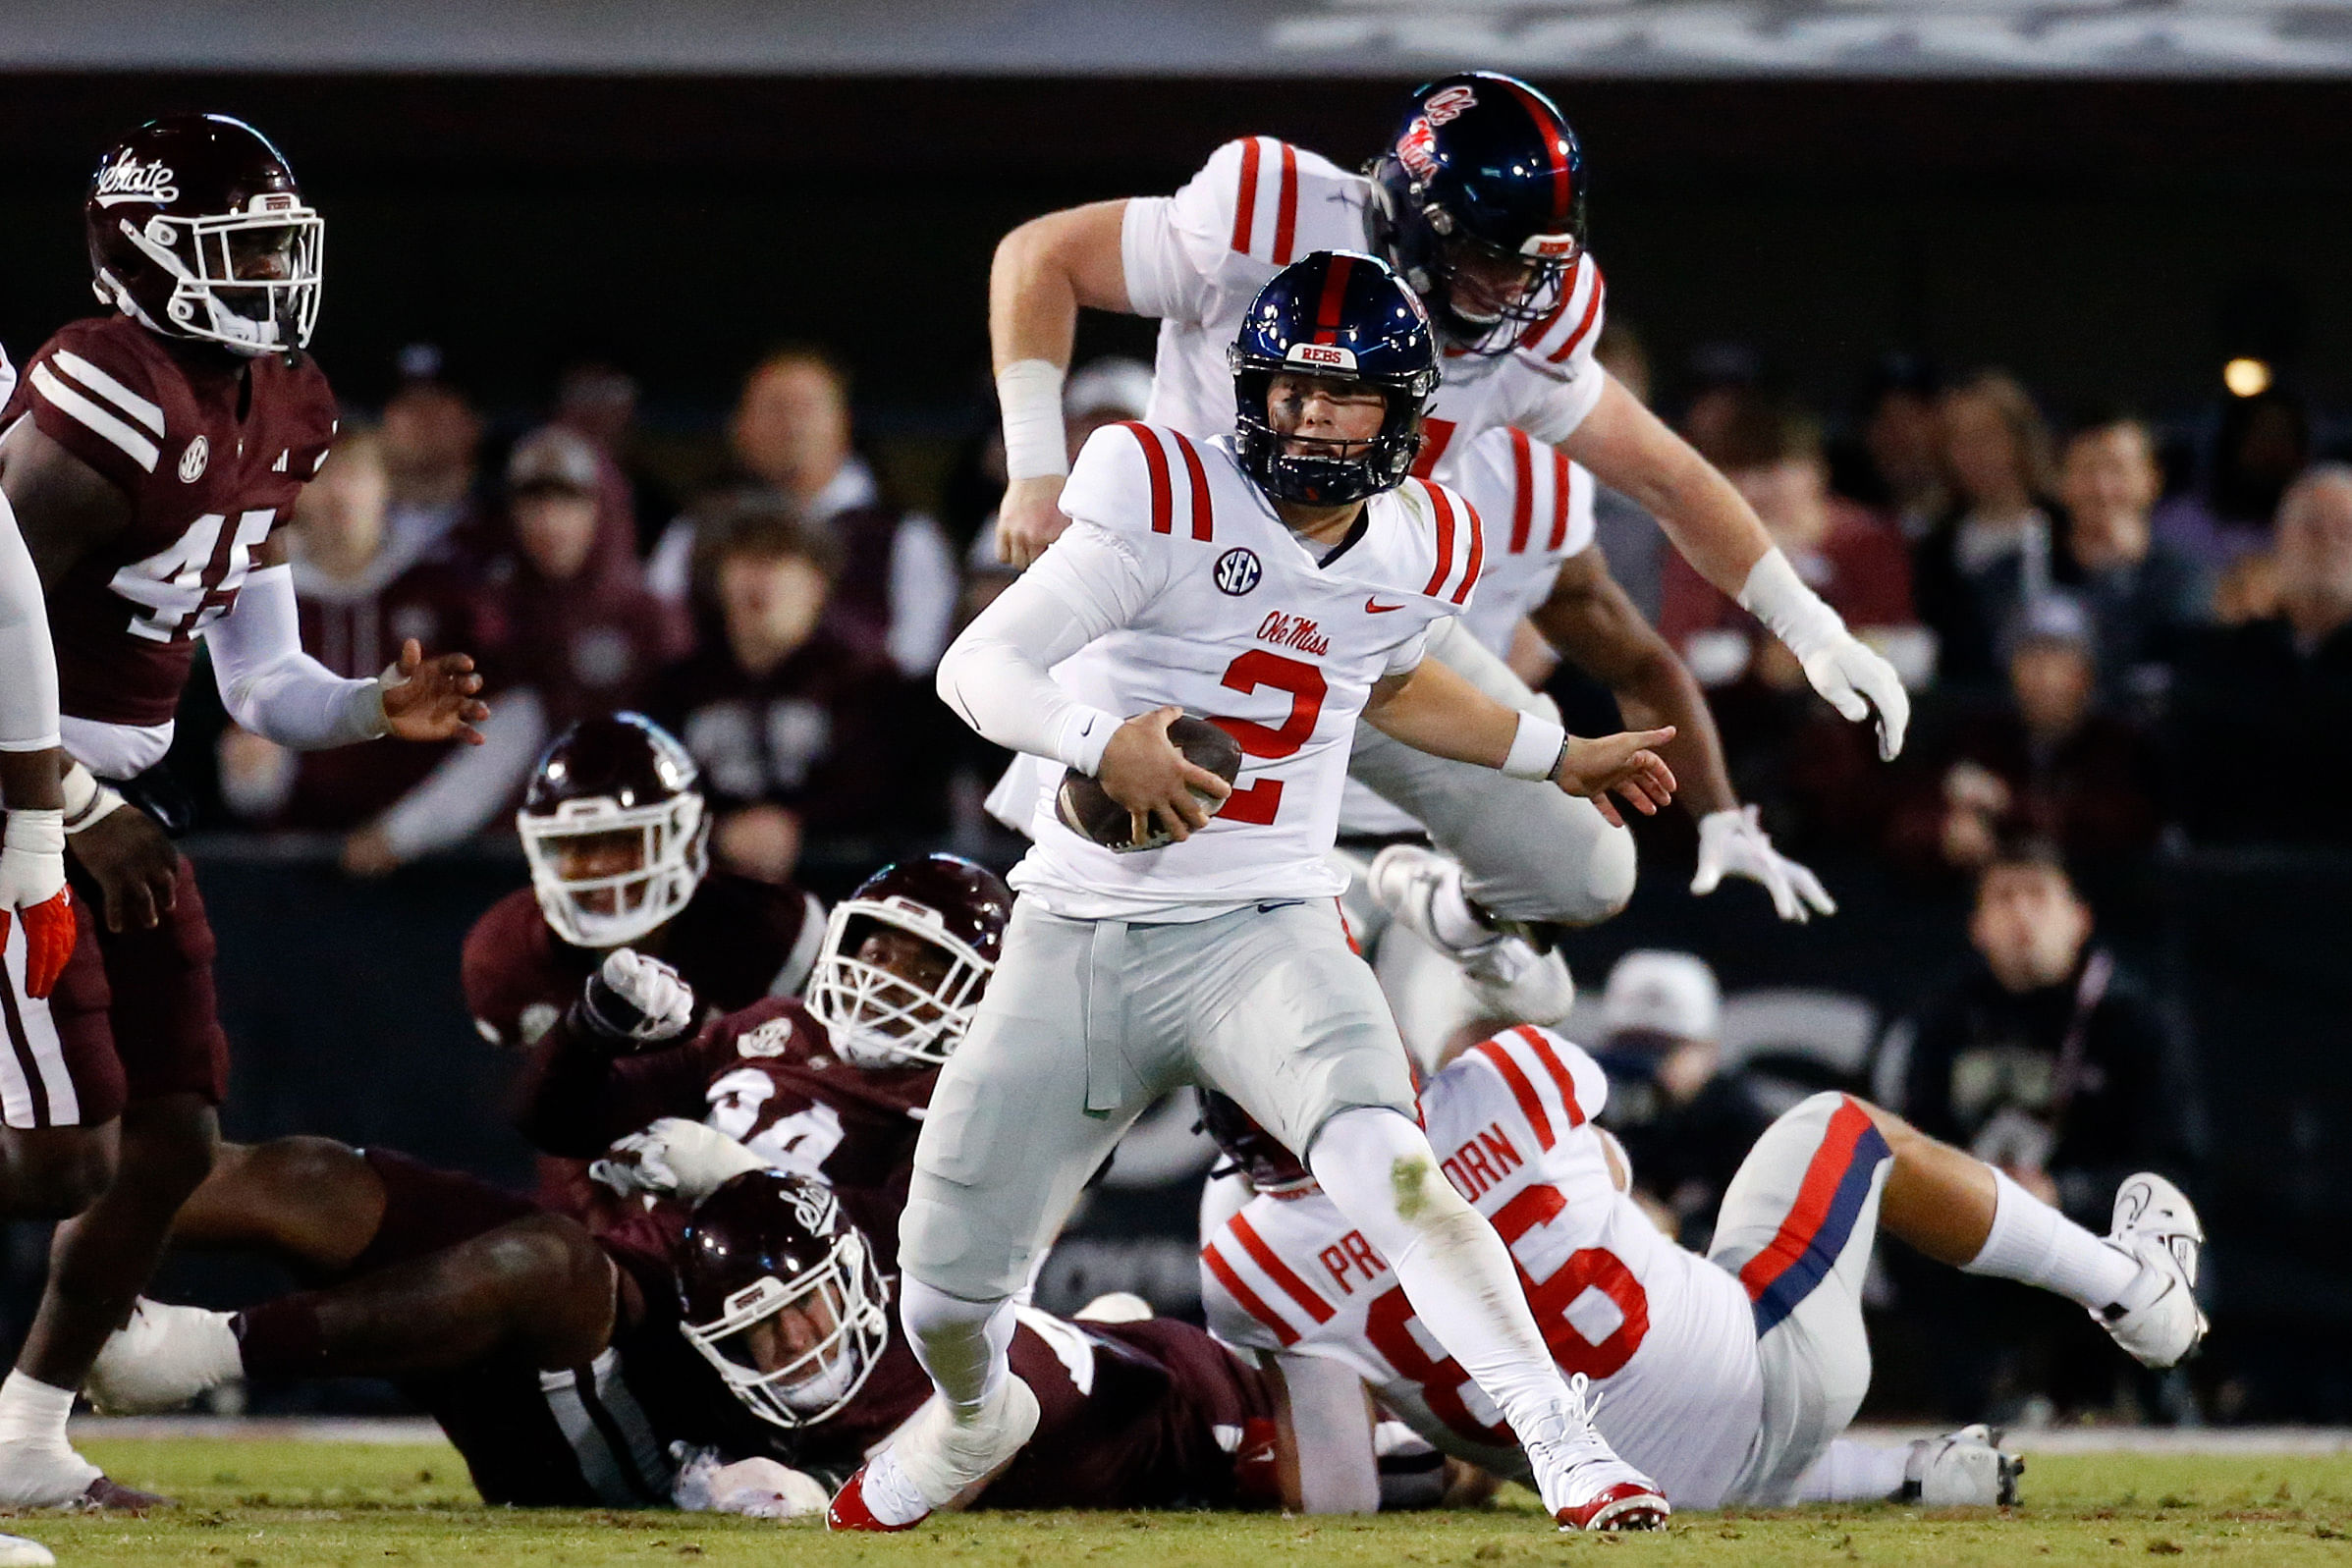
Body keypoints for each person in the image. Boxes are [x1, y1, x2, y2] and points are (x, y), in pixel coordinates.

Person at [857, 252, 1681, 1538]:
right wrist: (1095, 742)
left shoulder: (1422, 536)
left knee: (1392, 1169)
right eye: (1284, 391)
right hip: (1081, 927)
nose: (1301, 420)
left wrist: (1553, 752)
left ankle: (1564, 1439)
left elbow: (1397, 681)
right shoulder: (1163, 486)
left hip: (1265, 925)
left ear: (1401, 417)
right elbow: (976, 664)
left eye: (1335, 398)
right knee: (942, 1297)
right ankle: (973, 1413)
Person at [983, 72, 1908, 1018]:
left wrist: (1813, 628)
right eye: (1489, 259)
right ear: (1413, 219)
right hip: (1174, 621)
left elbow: (1669, 477)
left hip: (1353, 625)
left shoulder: (1527, 337)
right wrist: (1036, 468)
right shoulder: (1267, 215)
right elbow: (1041, 254)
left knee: (1585, 871)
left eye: (1530, 266)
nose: (1513, 289)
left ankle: (1441, 908)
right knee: (1096, 951)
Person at [0, 113, 488, 1509]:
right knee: (52, 1157)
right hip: (27, 797)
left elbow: (262, 674)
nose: (274, 273)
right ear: (142, 253)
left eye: (282, 243)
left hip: (111, 801)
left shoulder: (288, 400)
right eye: (243, 246)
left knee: (166, 1141)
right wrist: (72, 801)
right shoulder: (106, 389)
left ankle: (26, 1435)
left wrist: (363, 712)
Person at [1198, 1019, 2205, 1512]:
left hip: (1631, 1488)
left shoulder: (1246, 1266)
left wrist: (1439, 1453)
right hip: (1770, 1365)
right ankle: (2132, 1289)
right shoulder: (1509, 1077)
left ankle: (1895, 1475)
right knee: (1844, 1127)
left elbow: (1329, 1493)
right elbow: (1606, 1162)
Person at [91, 1149, 1287, 1517]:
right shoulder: (913, 1292)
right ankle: (55, 1189)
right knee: (308, 1176)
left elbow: (993, 1424)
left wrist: (813, 1500)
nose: (810, 1342)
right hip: (696, 1326)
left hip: (638, 1449)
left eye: (816, 1314)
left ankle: (197, 1354)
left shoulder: (1149, 1397)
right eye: (783, 1327)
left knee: (550, 1269)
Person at [502, 850, 1012, 1246]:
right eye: (878, 952)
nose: (885, 980)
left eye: (927, 971)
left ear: (982, 994)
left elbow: (912, 1245)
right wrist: (591, 1029)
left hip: (806, 1321)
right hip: (663, 1258)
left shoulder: (961, 1099)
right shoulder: (774, 1023)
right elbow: (554, 1120)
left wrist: (737, 1180)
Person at [1899, 842, 2201, 1236]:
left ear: (2080, 918)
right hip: (1977, 1252)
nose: (2021, 913)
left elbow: (2176, 1172)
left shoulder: (2134, 1020)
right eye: (2004, 897)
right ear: (1977, 927)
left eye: (2038, 895)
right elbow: (1915, 1146)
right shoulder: (1944, 1019)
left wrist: (2062, 1194)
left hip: (2101, 1251)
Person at [214, 428, 487, 858]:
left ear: (387, 485)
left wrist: (407, 832)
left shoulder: (442, 594)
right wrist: (253, 773)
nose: (340, 494)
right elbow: (240, 780)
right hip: (291, 861)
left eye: (355, 474)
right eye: (322, 475)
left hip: (432, 861)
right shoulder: (253, 594)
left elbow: (507, 719)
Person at [645, 504, 931, 885]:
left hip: (841, 890)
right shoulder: (679, 686)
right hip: (708, 896)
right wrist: (718, 830)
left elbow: (896, 800)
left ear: (818, 583)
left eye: (779, 560)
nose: (760, 579)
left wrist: (801, 827)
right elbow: (651, 794)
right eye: (745, 560)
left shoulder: (869, 683)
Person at [648, 349, 957, 677]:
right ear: (740, 426)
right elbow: (662, 636)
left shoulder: (905, 535)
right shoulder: (698, 529)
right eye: (774, 409)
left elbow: (918, 656)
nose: (792, 425)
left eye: (807, 408)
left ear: (843, 421)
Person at [1886, 595, 2165, 882]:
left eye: (2060, 662)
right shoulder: (1979, 736)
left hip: (2098, 896)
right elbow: (1910, 818)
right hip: (1988, 894)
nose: (2045, 678)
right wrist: (1947, 829)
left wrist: (2007, 804)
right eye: (2030, 660)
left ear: (2088, 674)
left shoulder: (2118, 742)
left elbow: (2122, 825)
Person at [2166, 463, 2352, 845]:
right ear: (2279, 541)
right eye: (2313, 529)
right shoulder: (2217, 661)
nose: (2330, 544)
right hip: (2242, 879)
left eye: (2346, 530)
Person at [1587, 950, 1774, 1249]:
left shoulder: (1739, 1127)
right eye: (1629, 1046)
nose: (1644, 1065)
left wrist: (1674, 1229)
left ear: (1707, 1051)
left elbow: (1761, 1245)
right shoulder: (1586, 1110)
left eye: (1664, 1048)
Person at [1909, 371, 2060, 689]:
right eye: (1958, 442)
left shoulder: (2062, 527)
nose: (1973, 454)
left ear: (2020, 441)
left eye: (1986, 437)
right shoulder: (1936, 546)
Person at [2051, 412, 2210, 709]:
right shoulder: (2029, 568)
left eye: (2117, 470)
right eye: (2087, 471)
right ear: (2061, 481)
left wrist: (2117, 572)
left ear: (2151, 479)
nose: (2102, 488)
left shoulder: (2185, 576)